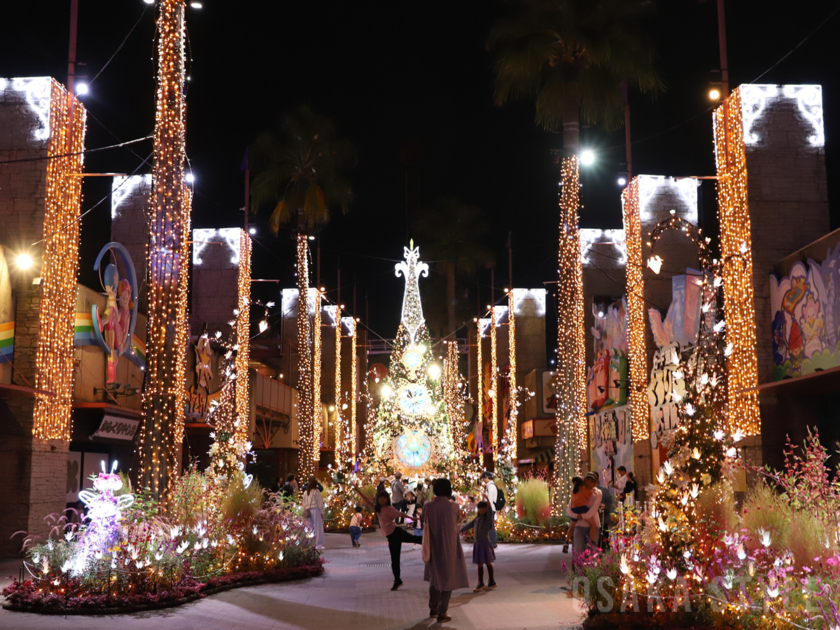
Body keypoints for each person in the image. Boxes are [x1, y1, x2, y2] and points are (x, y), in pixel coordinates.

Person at [353, 487, 421, 591]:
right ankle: (397, 580)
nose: (382, 500)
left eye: (384, 498)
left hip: (396, 533)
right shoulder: (377, 508)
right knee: (395, 559)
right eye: (380, 498)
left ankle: (432, 540)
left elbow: (400, 514)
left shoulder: (390, 508)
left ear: (387, 499)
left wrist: (412, 518)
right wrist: (358, 490)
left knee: (414, 540)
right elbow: (367, 501)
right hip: (391, 536)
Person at [423, 478, 469, 623]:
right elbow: (456, 523)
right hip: (450, 546)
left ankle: (433, 608)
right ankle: (443, 611)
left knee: (435, 578)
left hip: (433, 545)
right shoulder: (454, 506)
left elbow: (424, 521)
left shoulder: (428, 506)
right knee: (448, 578)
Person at [460, 500, 497, 592]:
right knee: (479, 563)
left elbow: (490, 511)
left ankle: (491, 581)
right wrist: (461, 530)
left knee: (488, 562)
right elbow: (470, 525)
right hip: (478, 543)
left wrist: (487, 501)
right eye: (480, 508)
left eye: (483, 508)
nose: (481, 510)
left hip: (484, 543)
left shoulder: (487, 518)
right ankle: (480, 582)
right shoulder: (477, 519)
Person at [568, 472, 602, 555]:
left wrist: (582, 516)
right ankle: (579, 567)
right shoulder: (578, 490)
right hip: (579, 525)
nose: (589, 482)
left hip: (593, 525)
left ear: (595, 483)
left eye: (592, 481)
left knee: (591, 551)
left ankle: (590, 567)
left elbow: (593, 509)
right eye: (587, 480)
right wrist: (576, 516)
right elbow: (569, 508)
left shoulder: (597, 493)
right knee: (578, 549)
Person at [563, 476, 597, 551]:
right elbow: (593, 497)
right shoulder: (584, 490)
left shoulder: (573, 491)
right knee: (593, 525)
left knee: (571, 527)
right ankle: (591, 542)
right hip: (582, 508)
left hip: (574, 509)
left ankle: (566, 542)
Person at [302, 476, 325, 548]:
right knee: (317, 527)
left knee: (309, 527)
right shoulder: (316, 491)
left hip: (307, 510)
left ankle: (310, 543)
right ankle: (317, 543)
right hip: (315, 509)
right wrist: (322, 512)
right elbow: (320, 503)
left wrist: (304, 511)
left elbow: (303, 502)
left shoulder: (305, 492)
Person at [480, 471, 499, 548]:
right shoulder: (490, 486)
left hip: (489, 508)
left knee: (490, 526)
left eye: (484, 478)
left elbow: (490, 499)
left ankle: (493, 543)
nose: (483, 480)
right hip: (490, 508)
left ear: (487, 477)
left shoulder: (491, 487)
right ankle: (492, 543)